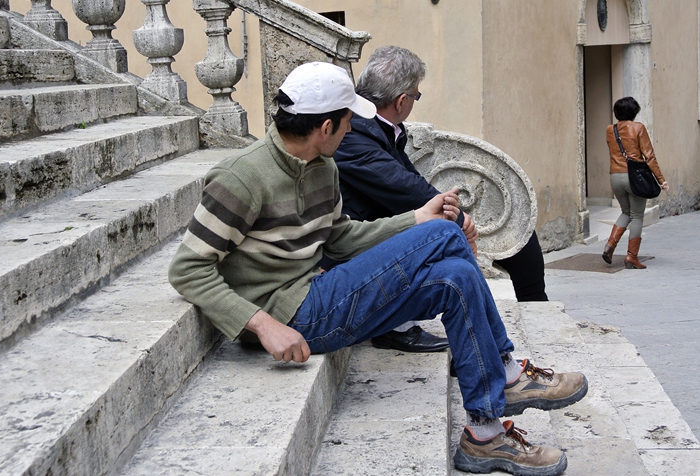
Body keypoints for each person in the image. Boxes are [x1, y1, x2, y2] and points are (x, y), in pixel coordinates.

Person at [168, 61, 588, 476]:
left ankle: (484, 432)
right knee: (445, 234)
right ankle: (507, 372)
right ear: (326, 127)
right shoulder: (240, 177)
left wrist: (416, 218)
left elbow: (340, 238)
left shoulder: (323, 166)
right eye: (348, 120)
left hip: (321, 292)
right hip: (289, 316)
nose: (352, 129)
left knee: (456, 279)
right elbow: (188, 269)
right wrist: (261, 324)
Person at [322, 45, 548, 354]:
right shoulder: (353, 133)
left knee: (493, 250)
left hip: (367, 234)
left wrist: (452, 214)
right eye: (416, 95)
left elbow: (410, 182)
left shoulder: (374, 127)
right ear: (402, 101)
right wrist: (458, 219)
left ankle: (499, 346)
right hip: (350, 253)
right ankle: (487, 353)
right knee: (450, 248)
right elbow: (404, 189)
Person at [603, 96, 669, 269]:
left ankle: (610, 245)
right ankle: (631, 257)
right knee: (637, 215)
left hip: (615, 176)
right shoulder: (638, 128)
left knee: (626, 212)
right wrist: (661, 181)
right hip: (634, 177)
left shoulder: (611, 129)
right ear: (634, 112)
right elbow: (649, 156)